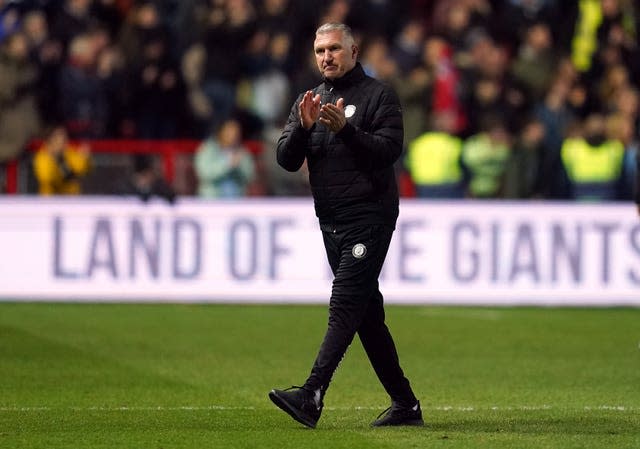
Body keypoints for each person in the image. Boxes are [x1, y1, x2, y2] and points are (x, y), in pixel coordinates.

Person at [268, 23, 422, 429]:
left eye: (335, 48)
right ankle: (405, 404)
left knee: (343, 305)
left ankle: (312, 394)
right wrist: (302, 128)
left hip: (369, 218)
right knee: (366, 315)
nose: (326, 57)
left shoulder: (379, 96)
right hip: (331, 222)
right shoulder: (311, 99)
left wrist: (347, 131)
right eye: (320, 50)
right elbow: (284, 159)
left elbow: (388, 151)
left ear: (354, 51)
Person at [32, 124, 91, 195]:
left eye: (64, 137)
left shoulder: (69, 152)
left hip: (71, 198)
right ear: (50, 140)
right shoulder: (42, 157)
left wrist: (84, 158)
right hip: (50, 200)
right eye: (59, 137)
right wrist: (53, 159)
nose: (63, 140)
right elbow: (46, 177)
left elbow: (82, 169)